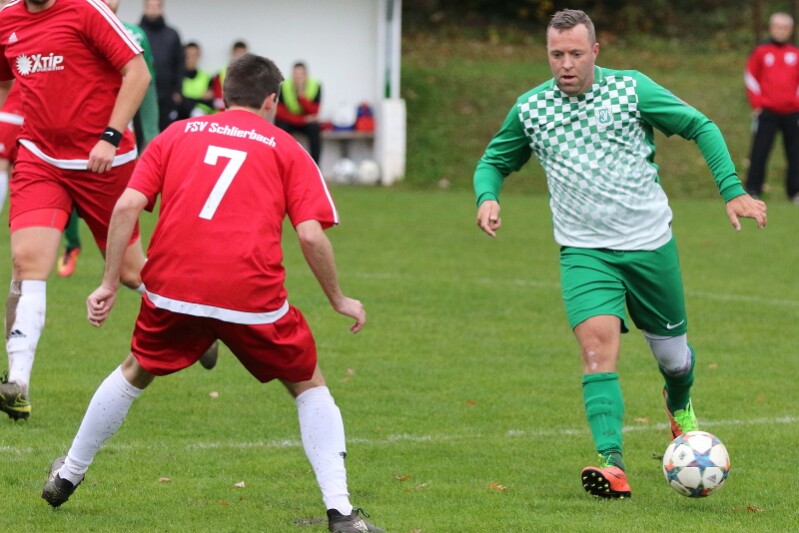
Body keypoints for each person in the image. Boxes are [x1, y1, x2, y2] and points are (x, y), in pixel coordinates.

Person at [40, 52, 383, 533]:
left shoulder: (176, 134)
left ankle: (68, 475)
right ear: (271, 100)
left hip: (173, 289)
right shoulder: (287, 148)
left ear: (223, 94)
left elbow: (126, 207)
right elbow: (310, 235)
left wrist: (109, 282)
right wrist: (339, 299)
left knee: (135, 369)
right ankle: (341, 513)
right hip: (250, 295)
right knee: (308, 383)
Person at [473, 9, 767, 499]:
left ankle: (680, 408)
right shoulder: (531, 109)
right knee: (596, 352)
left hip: (650, 247)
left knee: (674, 360)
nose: (566, 64)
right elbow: (494, 160)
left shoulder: (631, 89)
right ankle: (612, 463)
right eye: (556, 54)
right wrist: (488, 196)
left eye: (575, 53)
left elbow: (701, 126)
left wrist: (732, 189)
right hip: (585, 253)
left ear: (595, 51)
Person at [0, 0, 151, 421]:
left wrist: (110, 135)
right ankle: (18, 383)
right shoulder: (6, 21)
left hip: (103, 161)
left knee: (131, 272)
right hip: (40, 158)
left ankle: (190, 317)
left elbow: (138, 73)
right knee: (26, 261)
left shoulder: (86, 11)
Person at [53, 0, 160, 279]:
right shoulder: (72, 25)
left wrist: (151, 133)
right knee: (63, 190)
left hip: (117, 134)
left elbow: (146, 84)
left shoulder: (134, 34)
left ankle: (138, 269)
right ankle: (72, 244)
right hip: (75, 130)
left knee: (120, 210)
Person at [744, 12, 799, 203]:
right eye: (777, 27)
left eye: (785, 28)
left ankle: (795, 192)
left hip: (792, 112)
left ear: (790, 30)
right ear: (771, 28)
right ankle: (753, 189)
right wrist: (757, 103)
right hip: (767, 111)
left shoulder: (796, 53)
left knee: (795, 153)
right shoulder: (761, 51)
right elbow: (750, 76)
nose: (781, 31)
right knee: (759, 151)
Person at [139, 0, 182, 131]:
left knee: (165, 130)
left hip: (166, 93)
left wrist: (178, 90)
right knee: (141, 130)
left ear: (162, 8)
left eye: (157, 6)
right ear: (144, 8)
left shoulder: (172, 34)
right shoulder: (136, 33)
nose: (153, 9)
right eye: (150, 6)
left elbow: (179, 64)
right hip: (140, 91)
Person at [276, 61, 323, 164]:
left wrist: (301, 97)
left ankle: (315, 165)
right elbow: (280, 113)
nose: (298, 78)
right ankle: (282, 163)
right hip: (291, 121)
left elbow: (314, 111)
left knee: (314, 127)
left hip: (306, 123)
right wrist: (302, 120)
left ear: (306, 75)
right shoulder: (284, 86)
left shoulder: (315, 85)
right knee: (280, 127)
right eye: (296, 75)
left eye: (301, 75)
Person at [210, 40, 248, 113]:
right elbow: (217, 101)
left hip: (243, 114)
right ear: (232, 53)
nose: (240, 56)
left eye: (242, 53)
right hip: (223, 114)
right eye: (238, 52)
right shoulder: (220, 74)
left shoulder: (251, 75)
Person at [179, 41, 214, 118]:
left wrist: (187, 99)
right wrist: (200, 99)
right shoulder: (177, 77)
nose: (190, 58)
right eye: (188, 55)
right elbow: (176, 100)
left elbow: (210, 103)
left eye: (194, 55)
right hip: (181, 117)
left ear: (199, 56)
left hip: (200, 118)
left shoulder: (207, 77)